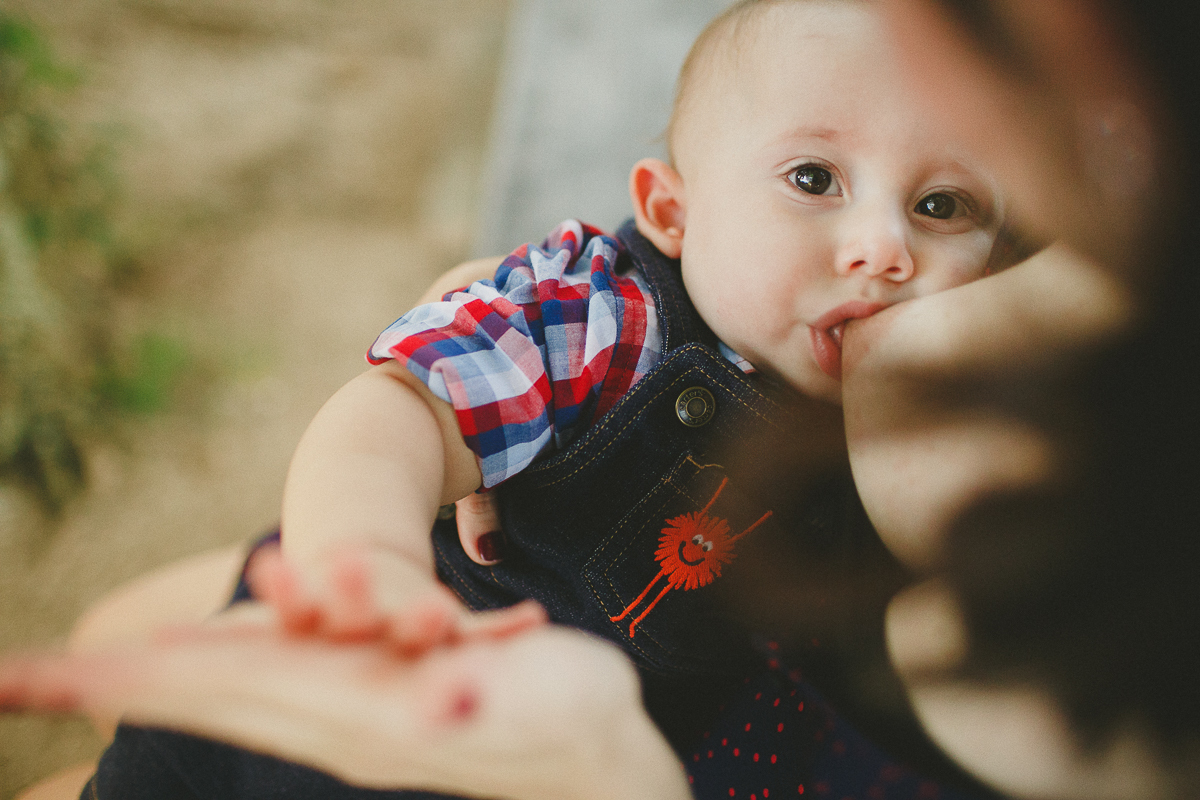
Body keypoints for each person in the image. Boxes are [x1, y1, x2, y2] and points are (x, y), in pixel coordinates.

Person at [5, 0, 1198, 797]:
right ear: (674, 212)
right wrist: (361, 559)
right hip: (354, 664)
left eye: (943, 209)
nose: (883, 245)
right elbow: (395, 409)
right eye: (814, 179)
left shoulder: (928, 440)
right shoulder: (605, 317)